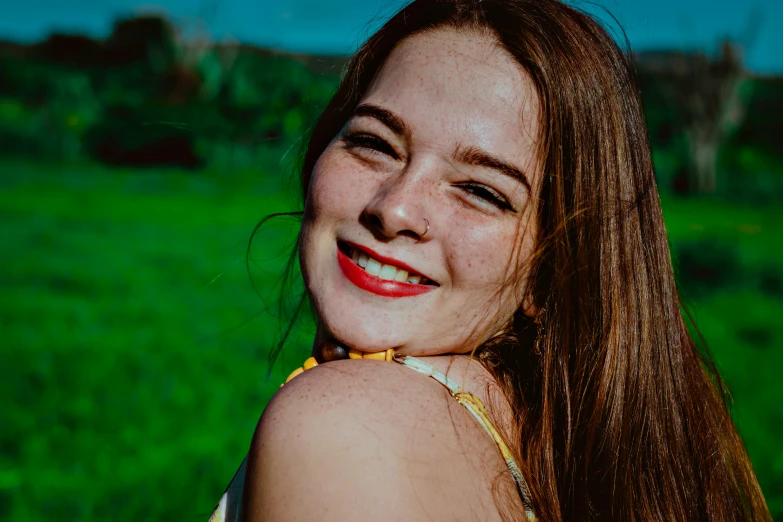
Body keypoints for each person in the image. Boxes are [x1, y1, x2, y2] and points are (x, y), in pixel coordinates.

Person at [209, 0, 771, 520]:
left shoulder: (343, 428)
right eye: (375, 143)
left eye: (482, 191)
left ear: (550, 270)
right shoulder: (550, 436)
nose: (396, 207)